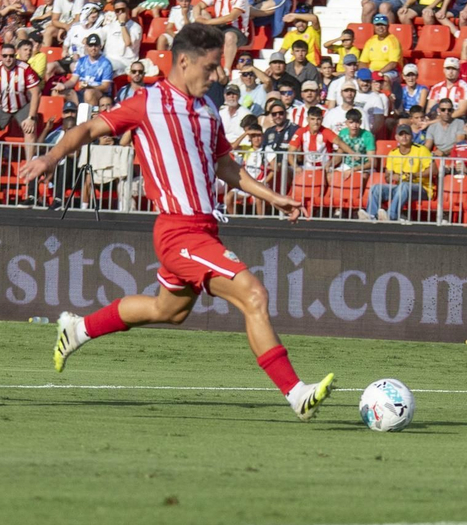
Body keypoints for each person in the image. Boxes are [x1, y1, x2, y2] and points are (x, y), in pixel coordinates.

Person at [19, 23, 335, 421]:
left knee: (167, 310)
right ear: (183, 61)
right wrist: (50, 159)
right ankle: (296, 393)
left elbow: (224, 165)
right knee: (253, 294)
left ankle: (78, 329)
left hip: (204, 229)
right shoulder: (145, 102)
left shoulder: (207, 110)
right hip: (178, 230)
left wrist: (273, 198)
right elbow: (87, 128)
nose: (217, 75)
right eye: (210, 67)